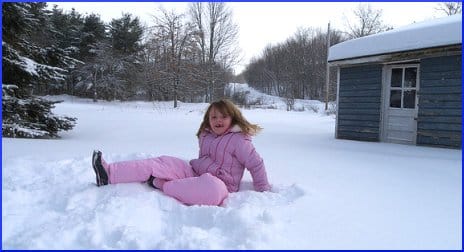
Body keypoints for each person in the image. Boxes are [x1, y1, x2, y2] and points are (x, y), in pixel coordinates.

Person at [91, 99, 271, 206]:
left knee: (213, 191)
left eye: (223, 116)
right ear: (208, 119)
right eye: (213, 117)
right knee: (163, 162)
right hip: (195, 172)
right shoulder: (206, 135)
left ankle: (163, 185)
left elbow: (256, 164)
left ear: (233, 118)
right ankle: (108, 174)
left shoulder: (240, 140)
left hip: (221, 185)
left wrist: (263, 190)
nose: (218, 120)